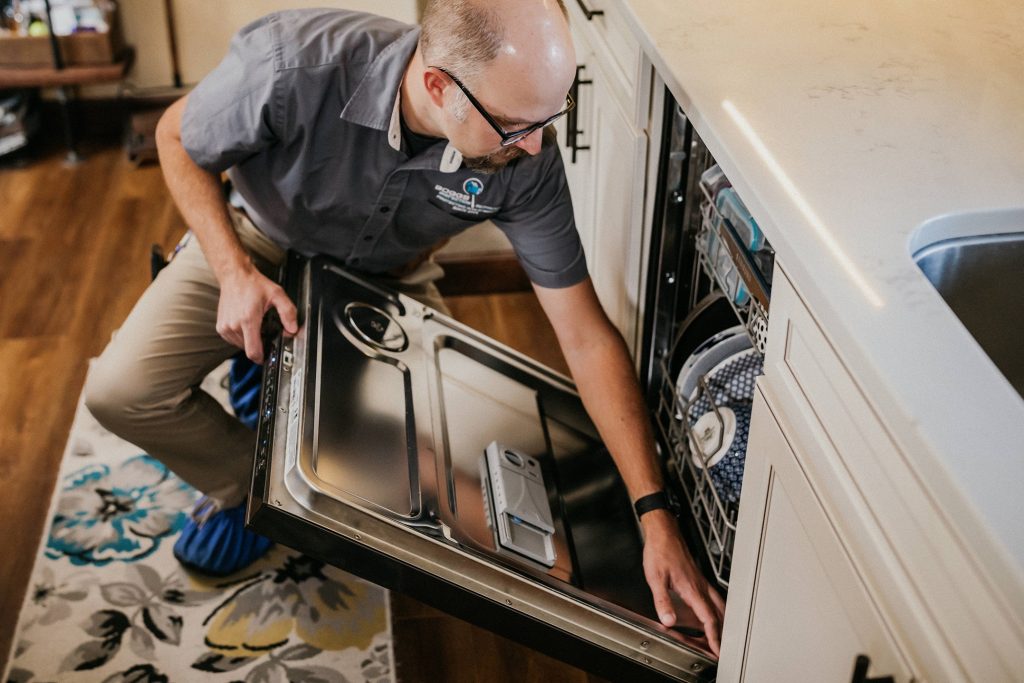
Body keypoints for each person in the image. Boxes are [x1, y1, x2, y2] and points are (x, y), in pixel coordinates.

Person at [83, 0, 725, 654]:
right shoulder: (294, 62)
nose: (535, 145)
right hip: (258, 240)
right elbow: (173, 136)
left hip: (385, 277)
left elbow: (585, 335)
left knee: (433, 488)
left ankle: (286, 432)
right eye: (512, 125)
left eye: (549, 117)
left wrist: (655, 515)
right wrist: (232, 271)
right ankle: (259, 494)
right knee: (120, 389)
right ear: (440, 86)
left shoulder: (528, 153)